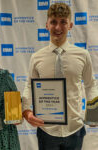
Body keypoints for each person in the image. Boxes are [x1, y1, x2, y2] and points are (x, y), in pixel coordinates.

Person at [22, 3, 98, 150]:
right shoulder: (36, 57)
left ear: (70, 25)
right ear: (46, 25)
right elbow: (29, 86)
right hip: (46, 129)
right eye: (53, 22)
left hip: (75, 128)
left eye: (63, 22)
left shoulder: (83, 55)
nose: (58, 28)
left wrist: (94, 112)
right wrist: (26, 111)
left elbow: (90, 85)